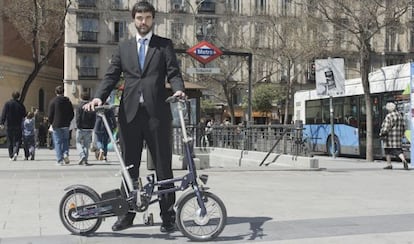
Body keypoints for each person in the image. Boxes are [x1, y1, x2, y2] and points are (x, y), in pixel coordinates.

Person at [84, 1, 185, 233]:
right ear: (133, 20)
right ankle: (126, 215)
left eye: (147, 18)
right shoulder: (124, 47)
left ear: (153, 19)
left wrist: (178, 89)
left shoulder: (164, 45)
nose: (143, 22)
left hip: (157, 115)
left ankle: (168, 216)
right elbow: (111, 76)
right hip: (129, 116)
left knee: (163, 167)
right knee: (129, 167)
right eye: (139, 18)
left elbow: (173, 72)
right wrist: (99, 97)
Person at [48, 85, 74, 165]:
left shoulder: (53, 101)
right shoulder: (68, 101)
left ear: (56, 92)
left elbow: (50, 114)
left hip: (56, 124)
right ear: (63, 92)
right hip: (66, 124)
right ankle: (65, 153)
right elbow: (72, 113)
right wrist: (68, 120)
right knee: (66, 140)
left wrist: (51, 122)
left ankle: (60, 160)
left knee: (58, 142)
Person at [379, 101, 409, 170]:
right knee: (398, 150)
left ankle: (389, 164)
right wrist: (402, 134)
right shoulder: (400, 115)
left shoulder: (389, 116)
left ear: (389, 109)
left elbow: (386, 126)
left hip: (389, 137)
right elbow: (404, 126)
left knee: (387, 150)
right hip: (398, 136)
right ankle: (404, 160)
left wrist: (382, 133)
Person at [0, 91, 26, 161]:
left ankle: (11, 155)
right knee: (17, 140)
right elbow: (24, 114)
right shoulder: (21, 105)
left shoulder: (7, 104)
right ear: (18, 96)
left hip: (9, 125)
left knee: (10, 141)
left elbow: (4, 113)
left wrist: (2, 123)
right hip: (18, 125)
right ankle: (15, 152)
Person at [75, 92, 96, 166]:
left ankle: (82, 154)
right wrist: (92, 126)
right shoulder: (91, 106)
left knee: (78, 142)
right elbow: (94, 117)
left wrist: (77, 125)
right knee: (86, 144)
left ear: (81, 97)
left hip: (81, 127)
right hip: (89, 127)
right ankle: (85, 161)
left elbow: (78, 117)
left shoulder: (79, 106)